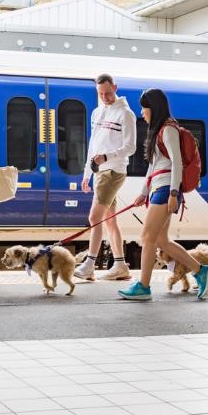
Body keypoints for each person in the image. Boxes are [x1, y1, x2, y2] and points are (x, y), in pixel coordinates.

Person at [117, 88, 208, 301]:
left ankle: (143, 286)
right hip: (157, 189)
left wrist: (173, 192)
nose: (142, 112)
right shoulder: (159, 131)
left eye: (144, 107)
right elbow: (153, 168)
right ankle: (201, 270)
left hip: (165, 189)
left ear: (154, 107)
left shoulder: (169, 129)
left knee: (147, 237)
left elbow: (177, 162)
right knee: (161, 239)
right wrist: (143, 194)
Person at [74, 74, 137, 282]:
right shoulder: (97, 112)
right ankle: (120, 265)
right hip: (100, 171)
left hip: (113, 171)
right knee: (110, 220)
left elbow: (131, 147)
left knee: (95, 217)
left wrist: (106, 158)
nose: (105, 97)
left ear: (116, 87)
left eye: (108, 93)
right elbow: (93, 145)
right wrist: (87, 173)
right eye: (101, 94)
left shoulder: (126, 114)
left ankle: (90, 265)